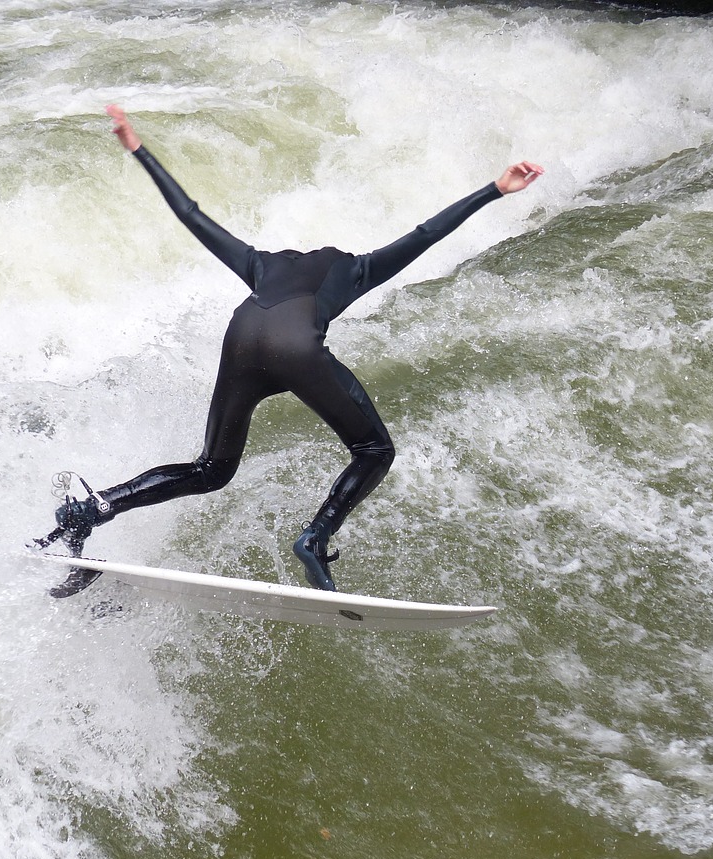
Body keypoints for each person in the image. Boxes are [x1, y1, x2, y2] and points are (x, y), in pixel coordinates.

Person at [35, 104, 543, 597]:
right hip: (294, 350)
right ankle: (315, 539)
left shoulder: (260, 264)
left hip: (239, 344)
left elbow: (191, 214)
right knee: (374, 451)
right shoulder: (355, 267)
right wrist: (496, 189)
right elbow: (427, 233)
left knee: (211, 469)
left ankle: (93, 509)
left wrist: (138, 148)